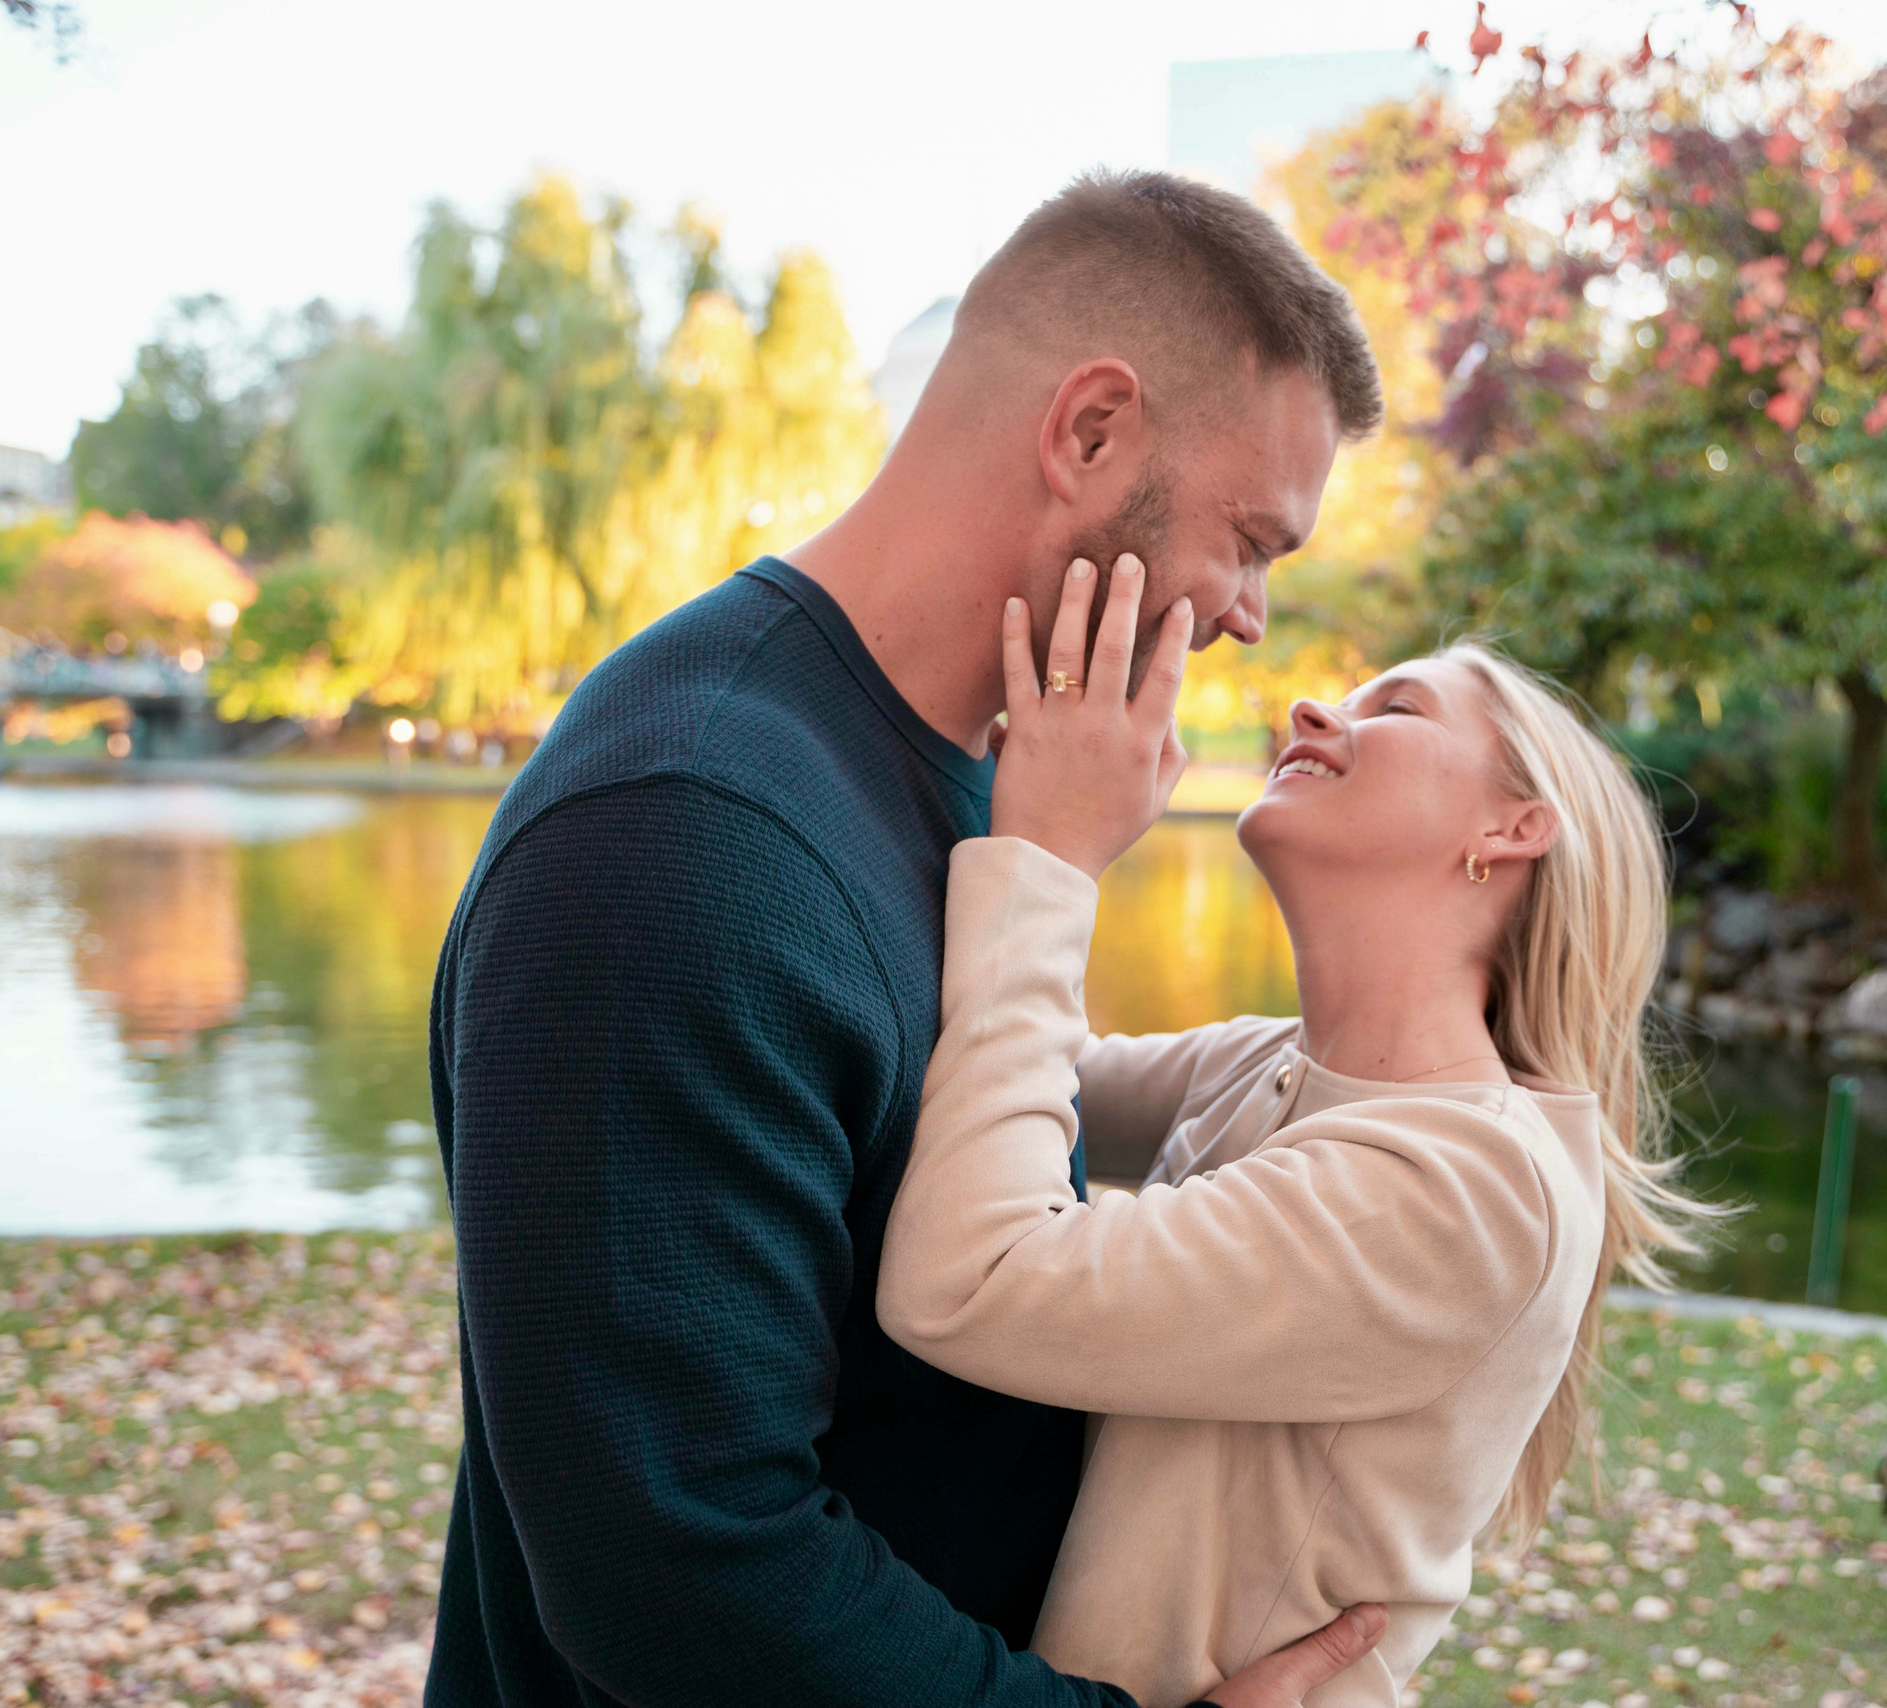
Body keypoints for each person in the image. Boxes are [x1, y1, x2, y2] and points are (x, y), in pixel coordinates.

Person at [424, 170, 1389, 1708]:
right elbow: (676, 1571)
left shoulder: (981, 794)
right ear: (1090, 433)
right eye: (1251, 539)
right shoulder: (680, 836)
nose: (1255, 614)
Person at [875, 563, 1711, 1707]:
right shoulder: (1275, 1065)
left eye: (1397, 707)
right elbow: (986, 1077)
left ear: (1513, 829)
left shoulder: (1472, 1187)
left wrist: (1054, 856)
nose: (1313, 711)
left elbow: (969, 1277)